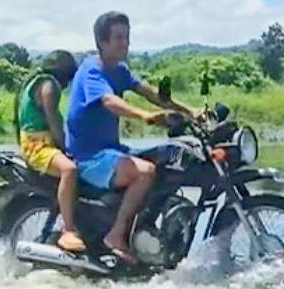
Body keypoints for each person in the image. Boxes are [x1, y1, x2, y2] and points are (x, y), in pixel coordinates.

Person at [66, 11, 199, 262]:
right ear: (102, 42)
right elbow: (109, 101)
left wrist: (191, 112)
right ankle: (116, 236)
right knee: (145, 172)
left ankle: (149, 230)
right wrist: (146, 117)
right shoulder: (92, 71)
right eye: (118, 38)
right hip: (88, 157)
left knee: (167, 162)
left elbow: (152, 93)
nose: (125, 43)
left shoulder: (120, 70)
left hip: (111, 150)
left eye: (127, 37)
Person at [15, 50, 85, 252]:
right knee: (69, 170)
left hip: (40, 143)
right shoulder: (49, 86)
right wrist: (65, 148)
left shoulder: (37, 80)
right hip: (38, 147)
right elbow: (53, 122)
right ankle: (69, 230)